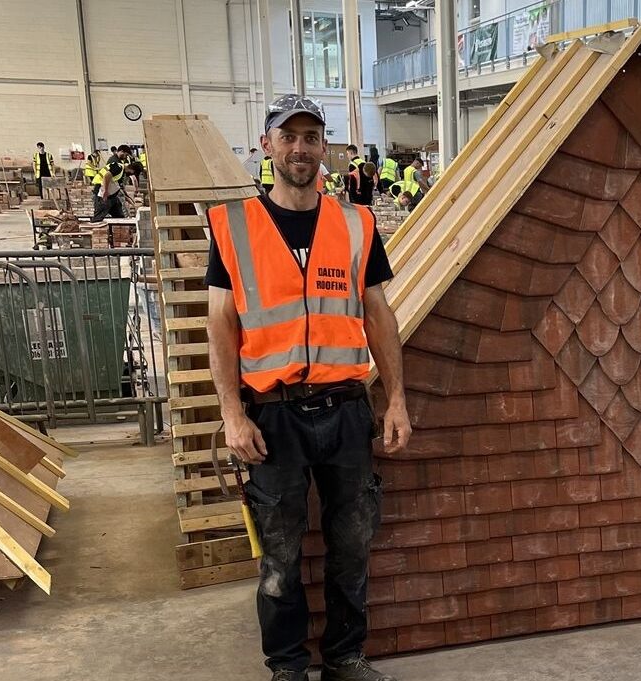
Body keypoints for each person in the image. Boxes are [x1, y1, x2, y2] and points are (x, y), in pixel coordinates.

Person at [204, 94, 409, 681]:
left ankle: (344, 658)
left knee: (352, 543)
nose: (300, 148)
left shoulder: (356, 223)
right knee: (280, 554)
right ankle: (288, 668)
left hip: (345, 411)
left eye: (311, 137)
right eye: (288, 136)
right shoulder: (234, 226)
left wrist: (395, 400)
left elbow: (378, 313)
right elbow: (220, 323)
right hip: (272, 417)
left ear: (325, 147)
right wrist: (232, 414)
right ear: (267, 145)